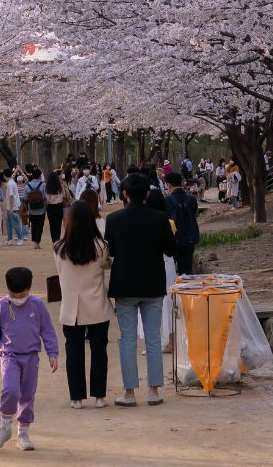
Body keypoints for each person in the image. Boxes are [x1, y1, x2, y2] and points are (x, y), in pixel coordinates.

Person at [105, 173, 176, 407]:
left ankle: (129, 392)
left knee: (127, 339)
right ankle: (153, 391)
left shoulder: (114, 219)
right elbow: (170, 249)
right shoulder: (159, 218)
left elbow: (111, 251)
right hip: (152, 283)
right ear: (147, 194)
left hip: (125, 285)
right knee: (153, 338)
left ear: (124, 193)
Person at [0, 267, 58, 451]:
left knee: (27, 396)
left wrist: (52, 353)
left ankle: (23, 434)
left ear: (30, 288)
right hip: (9, 356)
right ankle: (5, 426)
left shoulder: (37, 305)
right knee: (11, 390)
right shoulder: (1, 306)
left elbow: (47, 330)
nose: (18, 299)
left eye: (22, 295)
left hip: (31, 358)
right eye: (13, 295)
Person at [54, 201, 112, 410]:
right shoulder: (101, 246)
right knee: (99, 351)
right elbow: (106, 265)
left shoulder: (59, 248)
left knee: (74, 352)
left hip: (71, 308)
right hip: (97, 304)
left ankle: (76, 398)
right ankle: (99, 397)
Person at [140, 189, 177, 353]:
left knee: (154, 302)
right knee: (168, 301)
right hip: (167, 263)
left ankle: (159, 340)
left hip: (152, 263)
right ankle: (170, 341)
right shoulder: (169, 222)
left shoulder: (145, 222)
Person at [164, 173, 200, 275]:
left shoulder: (167, 201)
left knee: (170, 272)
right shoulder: (192, 199)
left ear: (168, 185)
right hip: (189, 239)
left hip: (173, 240)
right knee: (186, 272)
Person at [24, 168, 46, 249]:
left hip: (31, 209)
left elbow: (25, 198)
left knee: (33, 225)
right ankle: (37, 242)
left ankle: (34, 242)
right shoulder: (44, 185)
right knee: (40, 225)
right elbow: (45, 196)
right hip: (42, 209)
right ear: (40, 176)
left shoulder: (27, 185)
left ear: (32, 175)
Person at [3, 168, 25, 246]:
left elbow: (11, 196)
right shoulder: (12, 182)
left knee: (15, 223)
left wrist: (11, 208)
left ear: (4, 176)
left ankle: (20, 238)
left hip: (13, 207)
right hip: (10, 207)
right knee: (8, 223)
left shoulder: (10, 184)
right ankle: (9, 240)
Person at [44, 172, 65, 243]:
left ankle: (54, 240)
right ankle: (57, 239)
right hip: (59, 207)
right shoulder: (60, 187)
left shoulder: (47, 187)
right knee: (58, 224)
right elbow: (63, 196)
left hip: (50, 207)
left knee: (52, 224)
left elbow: (46, 197)